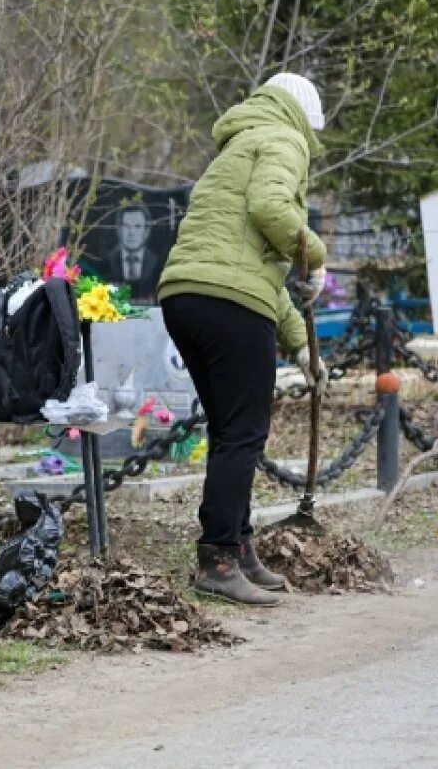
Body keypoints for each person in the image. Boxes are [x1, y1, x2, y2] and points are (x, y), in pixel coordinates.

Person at [157, 72, 330, 606]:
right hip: (230, 306)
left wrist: (300, 346)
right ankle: (218, 560)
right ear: (304, 116)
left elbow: (249, 268)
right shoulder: (285, 138)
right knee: (243, 434)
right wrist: (315, 255)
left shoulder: (235, 149)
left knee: (233, 432)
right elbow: (271, 211)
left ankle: (239, 546)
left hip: (185, 299)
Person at [107, 205, 160, 299]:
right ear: (118, 229)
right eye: (126, 226)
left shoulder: (159, 263)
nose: (131, 232)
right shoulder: (105, 262)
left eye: (137, 226)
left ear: (146, 231)